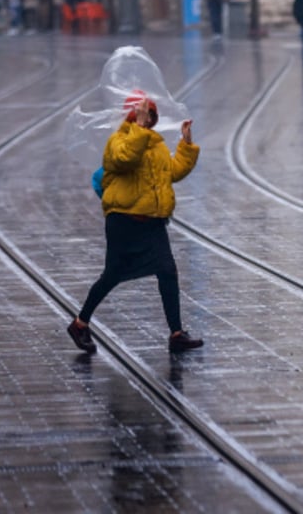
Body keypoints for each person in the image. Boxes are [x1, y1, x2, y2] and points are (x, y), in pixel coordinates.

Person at [67, 93, 204, 354]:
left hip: (152, 222)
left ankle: (176, 334)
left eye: (151, 114)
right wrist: (138, 128)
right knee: (112, 276)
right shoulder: (119, 140)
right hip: (124, 221)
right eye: (143, 113)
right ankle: (80, 324)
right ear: (132, 116)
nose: (148, 118)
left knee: (167, 271)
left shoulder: (155, 144)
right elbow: (123, 159)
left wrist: (186, 146)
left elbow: (171, 173)